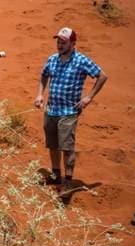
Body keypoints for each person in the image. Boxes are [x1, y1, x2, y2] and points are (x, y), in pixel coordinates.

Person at [35, 27, 108, 190]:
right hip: (51, 110)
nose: (59, 45)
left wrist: (89, 97)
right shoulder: (52, 59)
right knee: (52, 145)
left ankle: (68, 182)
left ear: (73, 43)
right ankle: (55, 176)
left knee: (67, 148)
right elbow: (44, 75)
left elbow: (102, 76)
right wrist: (40, 94)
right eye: (58, 41)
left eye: (63, 42)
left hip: (69, 112)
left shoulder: (81, 61)